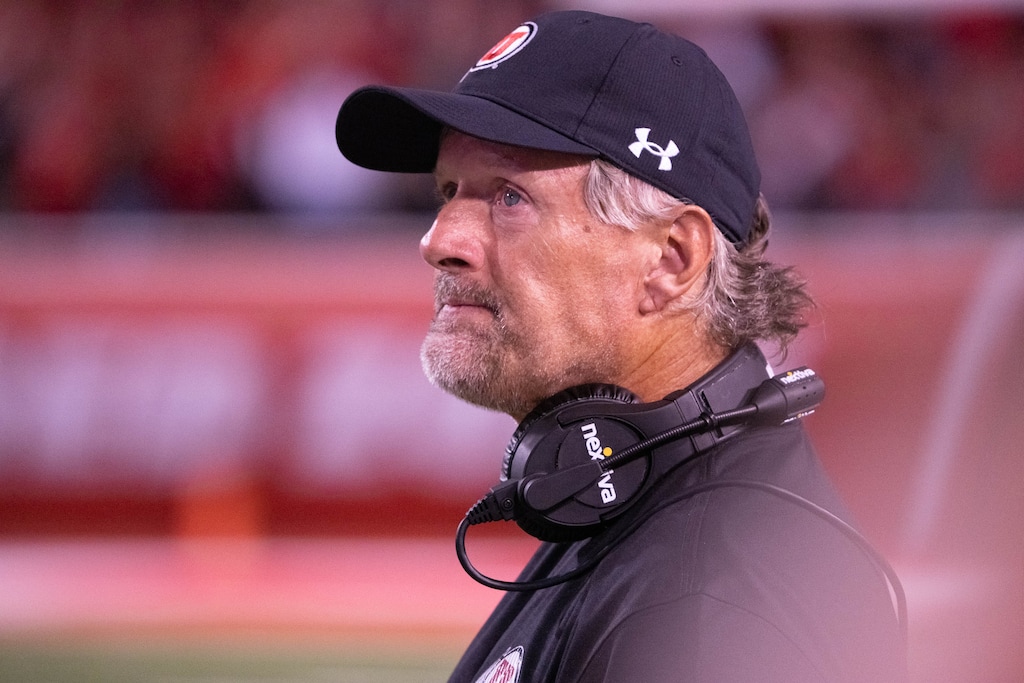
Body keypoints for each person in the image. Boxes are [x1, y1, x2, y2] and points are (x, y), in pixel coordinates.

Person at [335, 10, 907, 682]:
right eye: (449, 191)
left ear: (670, 259)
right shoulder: (629, 489)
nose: (438, 241)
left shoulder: (707, 617)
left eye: (509, 198)